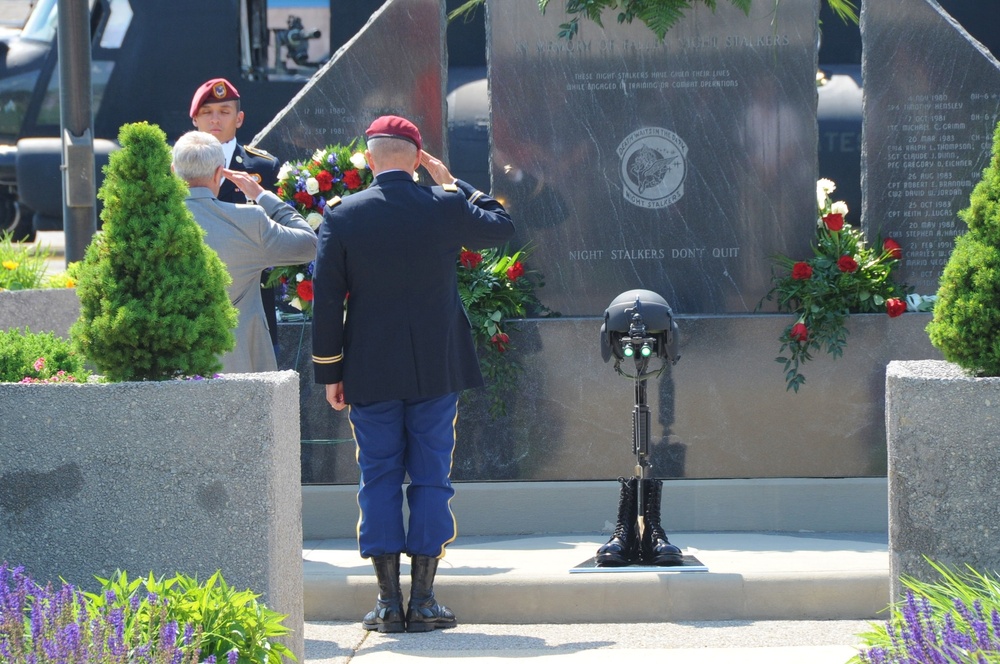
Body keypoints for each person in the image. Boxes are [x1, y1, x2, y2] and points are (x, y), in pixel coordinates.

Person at [311, 115, 515, 633]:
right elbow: (501, 225)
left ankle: (386, 605)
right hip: (435, 367)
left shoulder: (343, 215)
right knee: (430, 475)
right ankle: (422, 602)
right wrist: (452, 183)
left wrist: (330, 370)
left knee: (378, 474)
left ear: (370, 159)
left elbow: (328, 300)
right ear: (417, 157)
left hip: (368, 369)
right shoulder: (445, 207)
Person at [172, 130, 317, 373]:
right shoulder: (249, 221)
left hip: (167, 371)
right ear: (220, 173)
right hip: (239, 367)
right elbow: (309, 246)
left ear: (173, 171)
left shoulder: (146, 225)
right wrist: (262, 195)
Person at [190, 77, 283, 356]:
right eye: (206, 112)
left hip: (251, 304)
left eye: (224, 112)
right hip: (192, 300)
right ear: (194, 119)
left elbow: (277, 234)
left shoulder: (263, 168)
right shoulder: (175, 167)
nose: (215, 120)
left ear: (239, 118)